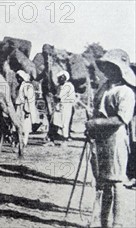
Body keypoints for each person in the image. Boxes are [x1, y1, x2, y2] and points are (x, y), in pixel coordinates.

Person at [86, 49, 135, 227]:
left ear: (119, 69)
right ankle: (103, 222)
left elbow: (121, 119)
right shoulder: (105, 88)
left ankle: (117, 223)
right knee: (103, 182)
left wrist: (95, 123)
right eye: (105, 66)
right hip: (100, 140)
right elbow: (96, 111)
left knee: (116, 183)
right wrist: (90, 127)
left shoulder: (126, 92)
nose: (107, 70)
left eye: (111, 67)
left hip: (115, 140)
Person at [14, 70, 39, 147]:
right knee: (18, 125)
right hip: (19, 107)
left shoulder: (28, 86)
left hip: (24, 108)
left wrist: (28, 111)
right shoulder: (20, 86)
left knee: (25, 126)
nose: (18, 79)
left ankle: (24, 142)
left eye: (19, 78)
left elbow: (30, 100)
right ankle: (18, 141)